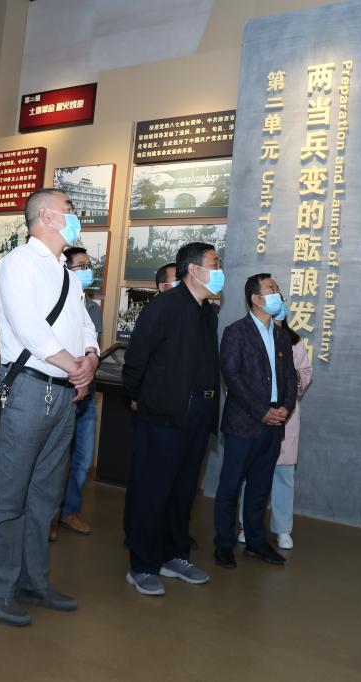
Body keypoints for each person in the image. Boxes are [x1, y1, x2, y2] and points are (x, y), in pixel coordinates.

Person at [0, 189, 99, 627]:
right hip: (31, 389)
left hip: (65, 393)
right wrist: (73, 365)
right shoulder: (18, 262)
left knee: (46, 494)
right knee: (9, 495)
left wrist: (90, 358)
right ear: (46, 216)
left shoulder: (67, 272)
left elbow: (84, 325)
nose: (75, 216)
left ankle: (34, 581)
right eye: (70, 210)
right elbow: (28, 325)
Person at [121, 242, 221, 597]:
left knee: (183, 491)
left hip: (198, 414)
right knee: (153, 491)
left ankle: (174, 555)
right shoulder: (164, 306)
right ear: (193, 270)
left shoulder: (207, 313)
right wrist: (141, 398)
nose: (219, 270)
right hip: (164, 415)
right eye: (214, 263)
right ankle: (143, 565)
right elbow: (135, 361)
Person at [213, 274, 297, 570]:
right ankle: (224, 543)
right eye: (272, 289)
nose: (278, 294)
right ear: (256, 299)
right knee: (230, 486)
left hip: (274, 424)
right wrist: (262, 410)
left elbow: (290, 378)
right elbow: (232, 376)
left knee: (261, 487)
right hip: (244, 422)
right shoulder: (236, 332)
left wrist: (285, 408)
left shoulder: (282, 336)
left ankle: (256, 541)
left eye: (277, 289)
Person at [237, 305, 312, 551]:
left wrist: (289, 381)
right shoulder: (251, 336)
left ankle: (282, 529)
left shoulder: (294, 341)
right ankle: (248, 525)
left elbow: (305, 372)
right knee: (252, 473)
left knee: (283, 475)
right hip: (256, 414)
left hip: (285, 416)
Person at [52, 246, 104, 538]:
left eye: (89, 266)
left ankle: (70, 511)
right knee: (56, 458)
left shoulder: (93, 308)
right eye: (81, 266)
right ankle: (49, 515)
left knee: (82, 460)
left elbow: (91, 347)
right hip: (61, 389)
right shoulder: (55, 300)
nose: (87, 271)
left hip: (86, 393)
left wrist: (88, 365)